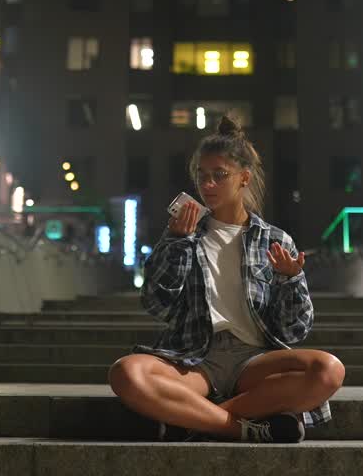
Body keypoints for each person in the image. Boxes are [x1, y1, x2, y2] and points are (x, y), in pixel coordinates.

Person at [108, 115, 345, 443]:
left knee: (329, 369)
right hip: (195, 358)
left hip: (255, 361)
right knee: (126, 372)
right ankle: (240, 427)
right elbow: (156, 304)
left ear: (244, 178)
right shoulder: (182, 233)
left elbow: (294, 330)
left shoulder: (275, 241)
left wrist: (290, 282)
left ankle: (194, 420)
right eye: (202, 176)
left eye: (220, 176)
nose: (208, 185)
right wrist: (177, 244)